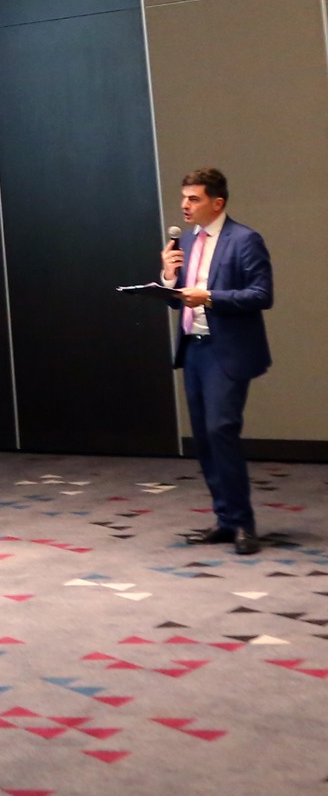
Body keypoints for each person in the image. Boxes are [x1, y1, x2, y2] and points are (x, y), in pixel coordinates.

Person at [160, 167, 272, 557]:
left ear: (217, 202)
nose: (184, 205)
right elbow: (179, 297)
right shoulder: (188, 241)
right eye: (184, 197)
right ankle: (225, 519)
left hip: (227, 351)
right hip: (194, 349)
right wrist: (168, 277)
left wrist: (209, 297)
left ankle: (243, 523)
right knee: (205, 439)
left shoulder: (245, 240)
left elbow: (262, 294)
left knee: (221, 429)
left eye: (193, 199)